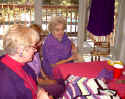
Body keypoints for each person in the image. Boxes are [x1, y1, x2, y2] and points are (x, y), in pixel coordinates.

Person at [0, 24, 50, 99]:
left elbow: (33, 84)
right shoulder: (4, 80)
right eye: (33, 47)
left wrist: (40, 91)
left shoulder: (23, 63)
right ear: (21, 50)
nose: (35, 50)